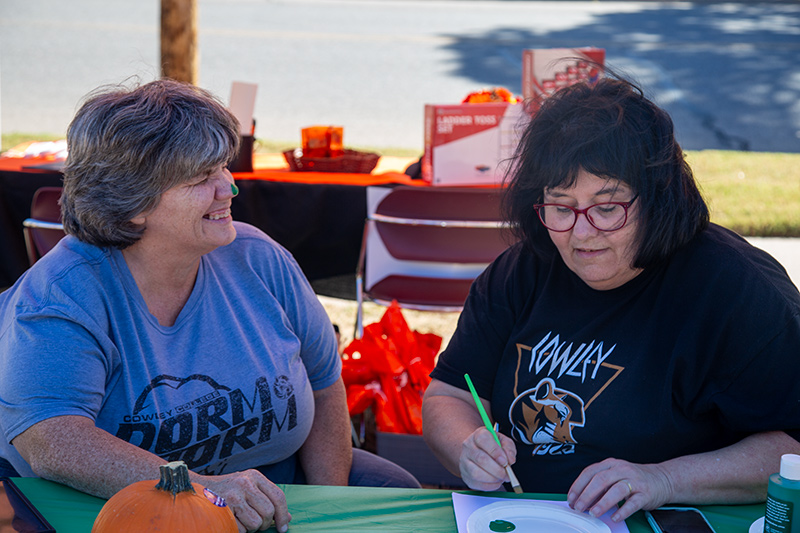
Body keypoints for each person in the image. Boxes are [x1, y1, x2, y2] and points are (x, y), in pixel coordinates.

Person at [0, 78, 419, 533]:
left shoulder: (259, 258)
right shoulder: (61, 294)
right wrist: (203, 491)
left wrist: (327, 509)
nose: (229, 189)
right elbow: (53, 440)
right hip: (120, 506)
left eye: (223, 166)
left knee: (397, 490)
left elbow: (323, 381)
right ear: (131, 206)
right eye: (202, 178)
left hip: (271, 487)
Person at [421, 74, 800, 523]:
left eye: (607, 207)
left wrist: (663, 480)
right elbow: (448, 394)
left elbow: (791, 450)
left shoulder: (736, 290)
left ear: (659, 199)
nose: (581, 233)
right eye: (561, 206)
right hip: (519, 517)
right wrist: (467, 446)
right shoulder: (522, 270)